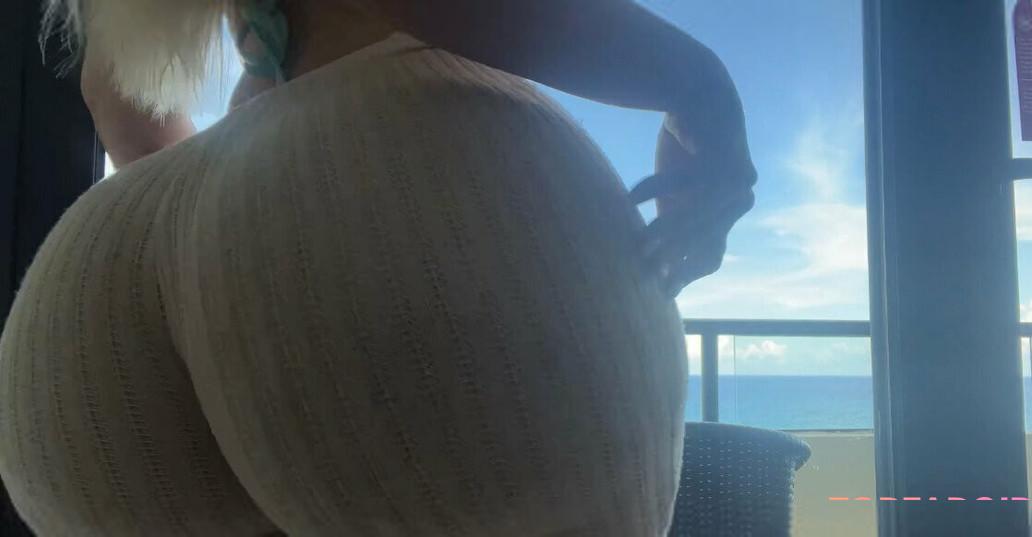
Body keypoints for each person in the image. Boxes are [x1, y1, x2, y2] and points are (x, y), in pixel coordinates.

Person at [0, 0, 757, 535]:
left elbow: (116, 93)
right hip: (403, 159)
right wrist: (698, 86)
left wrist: (218, 270)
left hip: (102, 273)